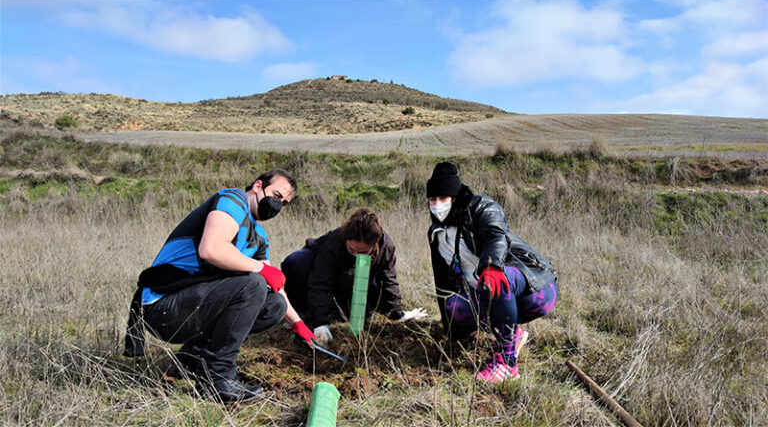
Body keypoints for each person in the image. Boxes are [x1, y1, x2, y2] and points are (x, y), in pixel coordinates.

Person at [123, 168, 314, 403]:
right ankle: (219, 377)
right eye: (276, 195)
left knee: (273, 305)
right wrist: (262, 270)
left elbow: (274, 286)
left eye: (283, 203)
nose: (277, 205)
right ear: (257, 186)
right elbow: (210, 249)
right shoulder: (232, 201)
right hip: (162, 306)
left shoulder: (259, 235)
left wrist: (298, 324)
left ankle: (194, 358)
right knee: (253, 284)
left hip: (193, 306)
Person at [425, 162, 558, 383]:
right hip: (489, 295)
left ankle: (507, 364)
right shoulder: (436, 234)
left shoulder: (482, 207)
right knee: (454, 307)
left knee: (495, 281)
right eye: (433, 200)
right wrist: (449, 329)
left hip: (533, 287)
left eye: (443, 198)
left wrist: (491, 265)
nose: (437, 205)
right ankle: (513, 335)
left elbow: (496, 234)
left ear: (455, 197)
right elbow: (442, 280)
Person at [281, 207, 427, 347]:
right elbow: (319, 283)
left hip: (359, 280)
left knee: (375, 295)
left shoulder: (386, 247)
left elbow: (388, 280)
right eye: (352, 250)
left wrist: (398, 314)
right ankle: (304, 311)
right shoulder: (333, 244)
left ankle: (342, 309)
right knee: (296, 262)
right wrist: (320, 324)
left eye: (363, 252)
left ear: (374, 244)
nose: (357, 255)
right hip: (330, 275)